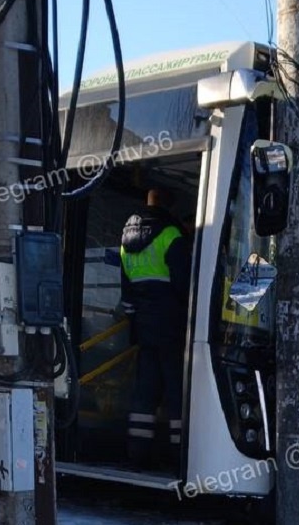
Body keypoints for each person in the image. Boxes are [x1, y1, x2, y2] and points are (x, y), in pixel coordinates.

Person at [119, 188, 190, 470]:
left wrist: (135, 321)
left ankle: (137, 453)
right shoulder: (172, 235)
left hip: (144, 328)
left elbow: (126, 293)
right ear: (168, 208)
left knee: (144, 393)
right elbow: (185, 285)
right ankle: (180, 455)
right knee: (176, 391)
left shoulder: (126, 239)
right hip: (172, 326)